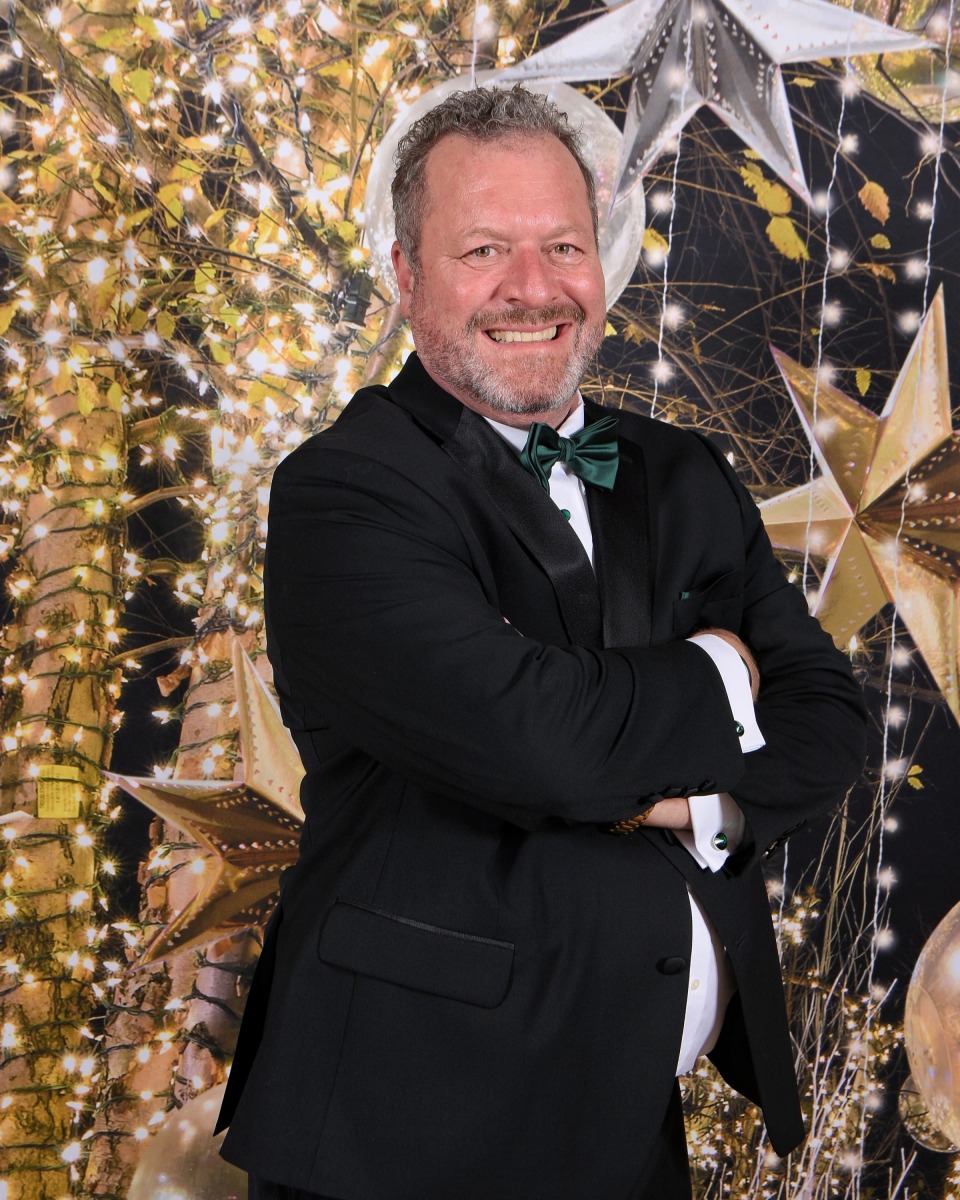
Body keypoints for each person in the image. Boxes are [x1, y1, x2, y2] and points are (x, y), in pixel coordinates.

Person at [216, 85, 867, 1199]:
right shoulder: (346, 489)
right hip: (407, 1134)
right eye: (484, 250)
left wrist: (685, 803)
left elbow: (828, 724)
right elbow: (540, 743)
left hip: (628, 1126)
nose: (533, 287)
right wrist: (719, 669)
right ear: (404, 274)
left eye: (563, 245)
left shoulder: (680, 470)